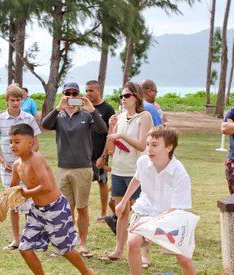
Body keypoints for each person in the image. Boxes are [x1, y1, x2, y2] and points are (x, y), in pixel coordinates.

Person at [112, 125, 207, 275]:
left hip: (171, 216)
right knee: (133, 243)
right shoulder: (142, 161)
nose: (149, 149)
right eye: (148, 144)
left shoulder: (180, 172)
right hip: (145, 210)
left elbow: (176, 208)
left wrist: (149, 224)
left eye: (154, 145)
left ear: (169, 147)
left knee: (183, 258)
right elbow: (137, 178)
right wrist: (124, 201)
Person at [9, 123, 94, 275]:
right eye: (10, 142)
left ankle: (86, 273)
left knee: (65, 250)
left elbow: (47, 186)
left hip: (56, 208)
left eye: (17, 142)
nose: (12, 146)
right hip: (37, 211)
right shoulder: (17, 165)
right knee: (25, 248)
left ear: (30, 142)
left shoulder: (36, 159)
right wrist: (6, 200)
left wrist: (26, 193)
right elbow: (13, 189)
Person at [42, 82, 107, 258]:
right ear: (63, 95)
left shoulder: (86, 114)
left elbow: (103, 130)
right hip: (63, 168)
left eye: (74, 93)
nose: (71, 96)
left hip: (83, 168)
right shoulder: (59, 116)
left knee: (82, 208)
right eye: (67, 93)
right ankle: (64, 244)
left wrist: (92, 109)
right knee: (65, 209)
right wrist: (57, 108)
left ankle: (83, 244)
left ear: (79, 95)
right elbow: (45, 125)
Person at [96, 82, 153, 262]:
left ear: (136, 97)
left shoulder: (144, 116)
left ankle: (144, 254)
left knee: (138, 212)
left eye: (127, 96)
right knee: (121, 212)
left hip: (136, 171)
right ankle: (118, 250)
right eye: (121, 96)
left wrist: (120, 135)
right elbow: (110, 148)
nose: (123, 99)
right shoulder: (119, 117)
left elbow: (142, 144)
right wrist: (112, 129)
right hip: (119, 170)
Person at [0, 83, 41, 251]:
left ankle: (30, 239)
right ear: (7, 100)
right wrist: (3, 162)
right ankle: (16, 240)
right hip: (7, 169)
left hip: (26, 168)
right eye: (12, 100)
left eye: (18, 100)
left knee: (29, 203)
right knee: (13, 204)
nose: (15, 103)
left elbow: (36, 144)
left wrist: (27, 160)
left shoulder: (28, 118)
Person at [84, 80, 115, 222]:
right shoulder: (84, 108)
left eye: (91, 90)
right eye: (86, 91)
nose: (87, 93)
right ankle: (82, 211)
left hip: (99, 153)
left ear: (99, 91)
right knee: (83, 183)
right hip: (84, 154)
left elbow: (109, 134)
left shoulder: (107, 109)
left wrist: (104, 155)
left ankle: (103, 213)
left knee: (102, 182)